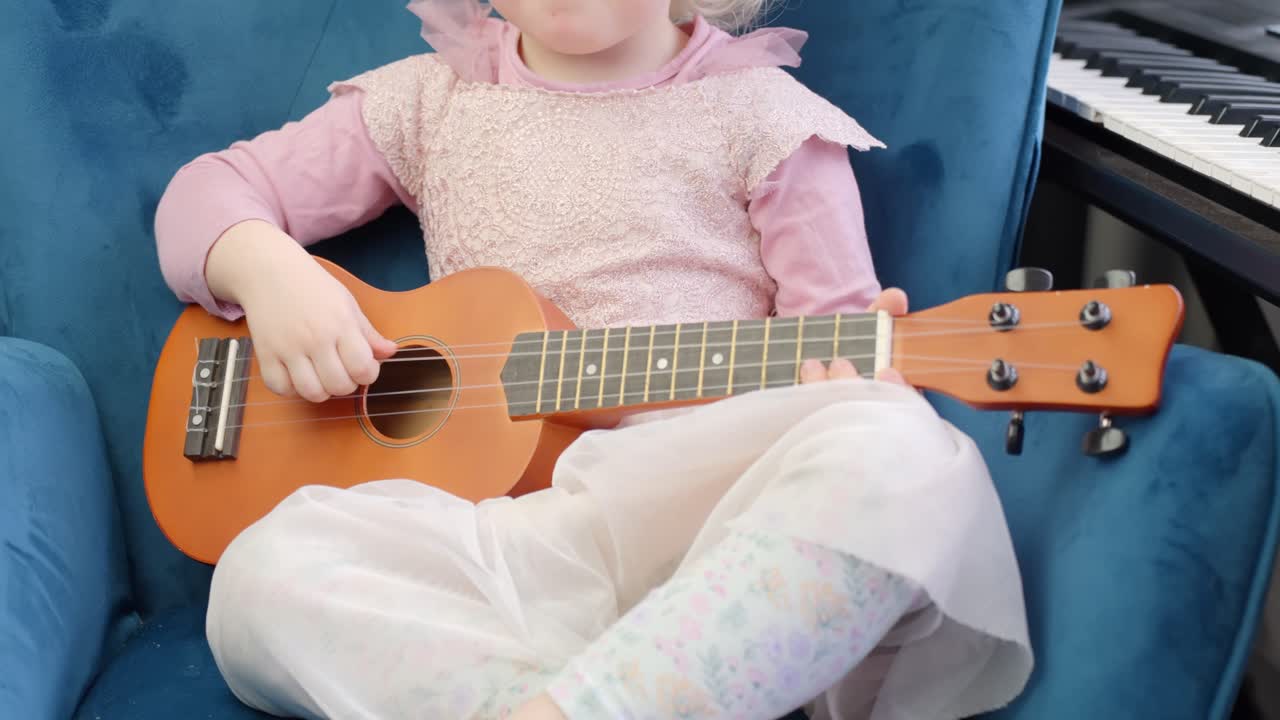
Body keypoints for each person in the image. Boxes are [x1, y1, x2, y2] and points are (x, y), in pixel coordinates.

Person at [154, 1, 1034, 718]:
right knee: (260, 577)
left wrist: (858, 388)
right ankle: (581, 694)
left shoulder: (768, 119)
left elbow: (839, 362)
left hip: (697, 536)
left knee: (898, 451)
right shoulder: (430, 99)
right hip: (499, 544)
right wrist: (268, 273)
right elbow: (206, 194)